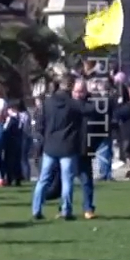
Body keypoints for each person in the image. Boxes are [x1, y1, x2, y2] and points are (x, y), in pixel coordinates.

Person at [31, 77, 93, 221]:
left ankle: (36, 208)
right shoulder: (72, 104)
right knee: (67, 180)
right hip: (68, 146)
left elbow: (41, 122)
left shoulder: (47, 103)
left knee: (43, 180)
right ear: (70, 88)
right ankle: (66, 210)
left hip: (50, 146)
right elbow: (90, 110)